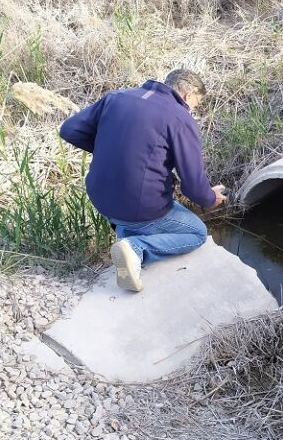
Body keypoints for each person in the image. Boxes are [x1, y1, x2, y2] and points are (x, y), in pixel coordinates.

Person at [58, 69, 226, 292]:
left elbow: (69, 129)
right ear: (188, 94)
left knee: (140, 208)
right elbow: (193, 186)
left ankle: (126, 238)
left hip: (100, 197)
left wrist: (107, 149)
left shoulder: (117, 97)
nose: (193, 110)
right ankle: (135, 248)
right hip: (140, 206)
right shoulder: (179, 117)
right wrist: (210, 198)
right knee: (196, 232)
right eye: (196, 103)